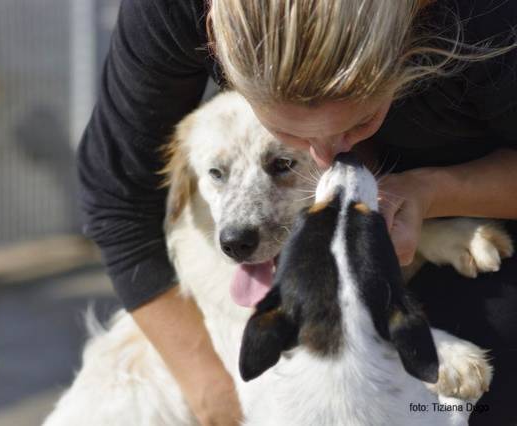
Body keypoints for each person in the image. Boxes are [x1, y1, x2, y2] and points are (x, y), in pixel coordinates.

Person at [78, 0, 517, 424]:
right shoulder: (172, 11)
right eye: (288, 132)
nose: (327, 161)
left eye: (358, 123)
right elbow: (116, 198)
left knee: (485, 373)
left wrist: (432, 192)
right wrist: (210, 388)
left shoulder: (490, 16)